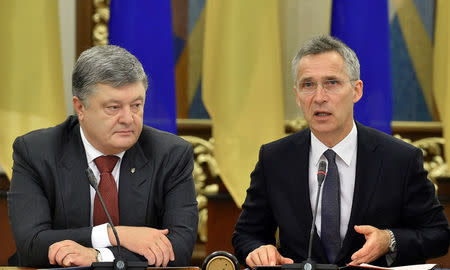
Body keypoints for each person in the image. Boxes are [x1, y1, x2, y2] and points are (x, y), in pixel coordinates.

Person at [232, 36, 449, 267]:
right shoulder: (274, 159)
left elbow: (438, 235)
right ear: (297, 95)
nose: (319, 97)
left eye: (331, 83)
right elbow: (246, 234)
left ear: (356, 91)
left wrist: (389, 240)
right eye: (308, 85)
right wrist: (259, 249)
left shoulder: (399, 159)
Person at [8, 45, 198, 268]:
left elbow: (179, 249)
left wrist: (99, 257)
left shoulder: (171, 155)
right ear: (80, 108)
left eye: (136, 105)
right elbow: (31, 245)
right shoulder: (36, 153)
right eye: (113, 107)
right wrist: (112, 234)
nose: (128, 118)